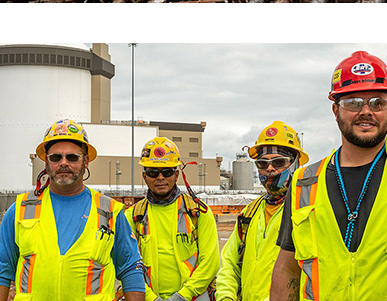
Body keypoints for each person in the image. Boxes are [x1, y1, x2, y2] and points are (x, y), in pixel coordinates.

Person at [270, 51, 387, 300]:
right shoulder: (303, 182)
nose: (366, 111)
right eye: (353, 103)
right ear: (335, 110)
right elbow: (287, 268)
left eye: (377, 102)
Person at [0, 118, 145, 300]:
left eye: (72, 157)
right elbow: (2, 270)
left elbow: (131, 269)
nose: (63, 163)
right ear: (46, 162)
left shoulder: (110, 212)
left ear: (86, 162)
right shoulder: (19, 211)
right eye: (55, 157)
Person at [217, 122, 309, 301]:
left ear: (295, 164)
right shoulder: (249, 213)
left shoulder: (306, 210)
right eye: (262, 163)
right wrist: (226, 297)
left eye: (279, 162)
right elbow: (229, 262)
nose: (270, 169)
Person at [125, 137, 219, 301]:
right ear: (144, 176)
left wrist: (182, 296)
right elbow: (127, 265)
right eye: (153, 172)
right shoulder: (133, 216)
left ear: (176, 174)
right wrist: (151, 298)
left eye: (167, 172)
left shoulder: (198, 212)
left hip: (193, 297)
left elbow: (210, 263)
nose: (160, 177)